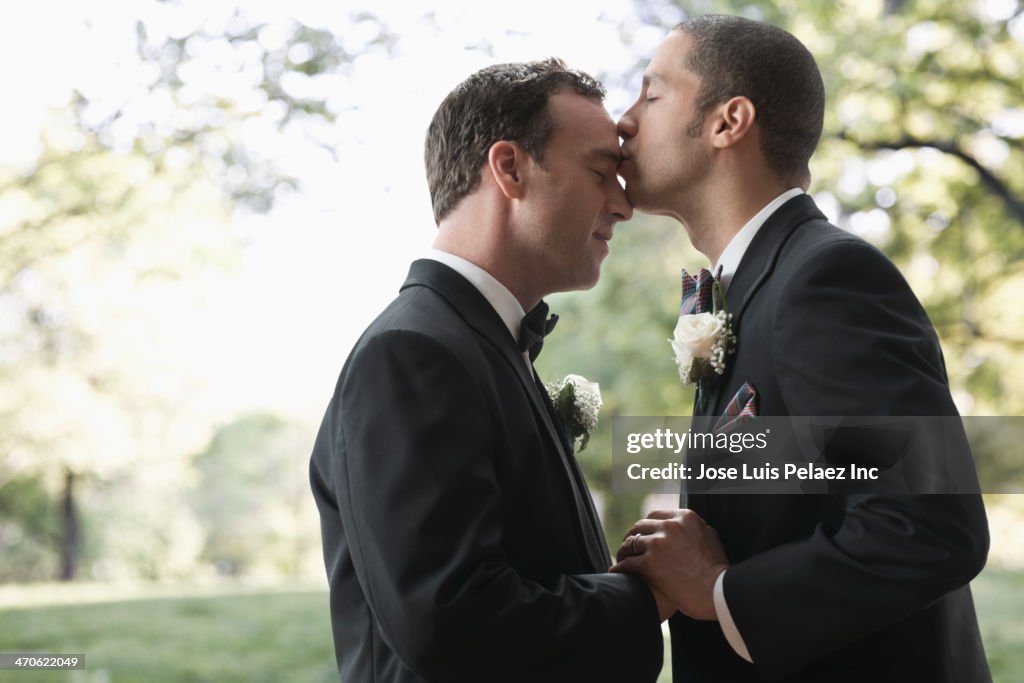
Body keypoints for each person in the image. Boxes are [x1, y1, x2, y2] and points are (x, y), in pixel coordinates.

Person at [610, 15, 991, 683]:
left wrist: (719, 591)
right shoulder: (755, 287)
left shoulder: (825, 280)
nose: (623, 121)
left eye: (651, 94)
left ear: (729, 122)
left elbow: (929, 528)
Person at [309, 58, 667, 683]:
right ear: (509, 169)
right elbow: (454, 624)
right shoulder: (413, 355)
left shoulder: (476, 343)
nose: (622, 205)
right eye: (601, 172)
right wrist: (650, 595)